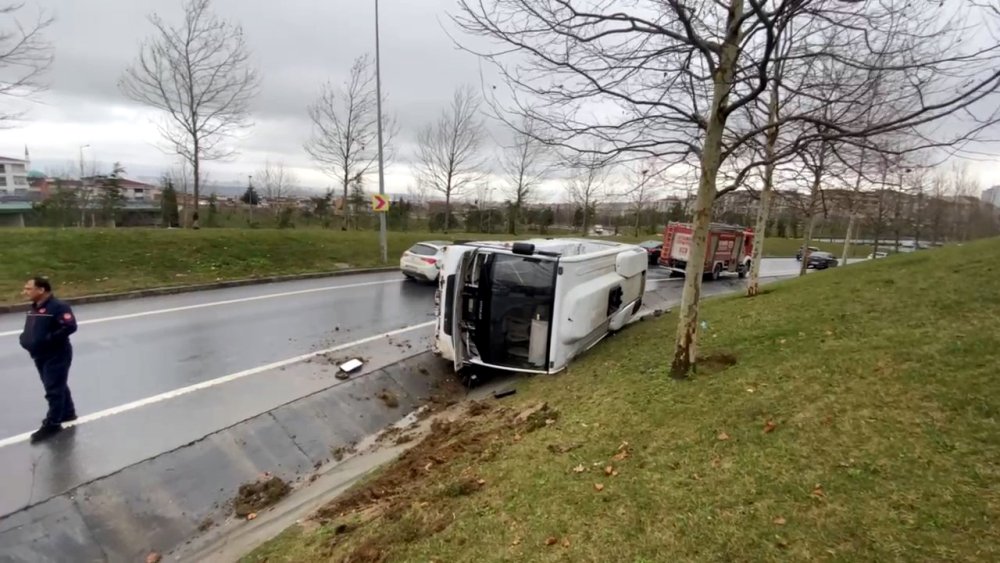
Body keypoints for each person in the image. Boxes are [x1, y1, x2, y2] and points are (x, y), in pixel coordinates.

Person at [19, 276, 78, 443]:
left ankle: (53, 423)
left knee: (53, 388)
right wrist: (24, 339)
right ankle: (67, 412)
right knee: (55, 384)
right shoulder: (34, 308)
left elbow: (70, 326)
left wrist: (49, 340)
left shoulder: (58, 307)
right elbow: (31, 330)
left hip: (56, 353)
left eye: (29, 288)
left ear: (41, 290)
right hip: (39, 354)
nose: (25, 292)